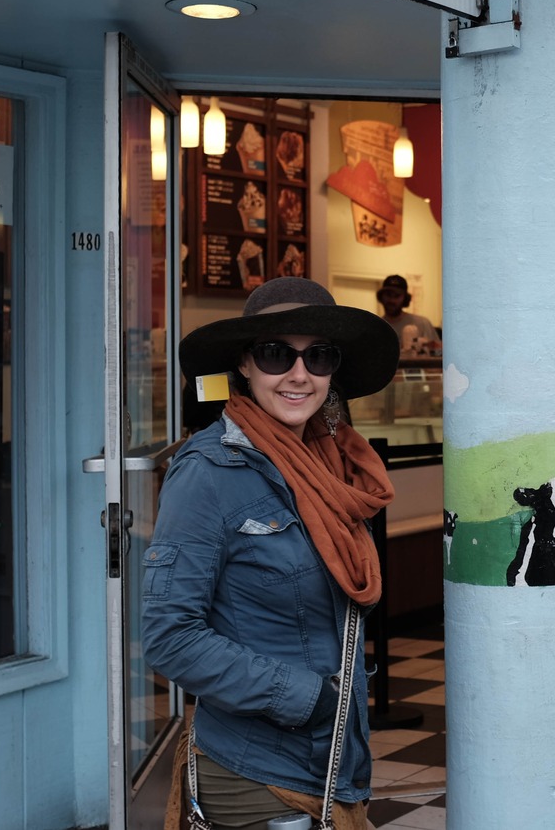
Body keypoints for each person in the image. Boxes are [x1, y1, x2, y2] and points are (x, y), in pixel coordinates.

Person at [143, 277, 400, 830]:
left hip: (334, 767)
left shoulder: (332, 468)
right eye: (276, 354)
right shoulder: (209, 473)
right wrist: (309, 699)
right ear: (245, 364)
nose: (299, 374)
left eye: (319, 355)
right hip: (257, 776)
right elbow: (169, 635)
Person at [376, 274, 439, 357]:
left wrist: (424, 349)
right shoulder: (376, 327)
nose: (392, 300)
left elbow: (439, 353)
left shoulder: (422, 323)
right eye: (388, 295)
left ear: (405, 298)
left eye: (397, 296)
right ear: (381, 297)